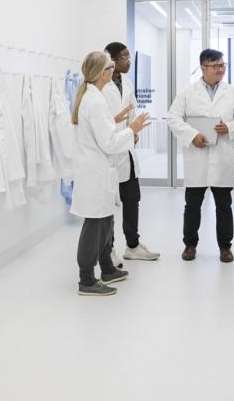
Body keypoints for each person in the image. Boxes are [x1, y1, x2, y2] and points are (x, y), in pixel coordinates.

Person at [70, 51, 150, 296]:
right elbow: (108, 143)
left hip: (99, 171)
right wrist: (131, 130)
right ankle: (86, 280)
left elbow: (101, 130)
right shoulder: (94, 100)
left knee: (105, 221)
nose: (114, 69)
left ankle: (107, 268)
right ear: (103, 72)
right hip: (95, 172)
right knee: (95, 225)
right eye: (111, 66)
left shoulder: (93, 97)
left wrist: (114, 120)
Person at [167, 49, 234, 262]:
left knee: (224, 206)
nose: (221, 69)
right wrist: (192, 135)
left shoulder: (233, 93)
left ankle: (225, 248)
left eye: (223, 65)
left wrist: (228, 127)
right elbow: (173, 117)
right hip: (197, 156)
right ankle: (190, 245)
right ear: (203, 67)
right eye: (216, 66)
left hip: (222, 157)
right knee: (192, 205)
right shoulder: (187, 92)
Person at [102, 42, 160, 267]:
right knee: (107, 205)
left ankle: (133, 246)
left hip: (126, 149)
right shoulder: (99, 86)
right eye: (125, 58)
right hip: (108, 151)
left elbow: (131, 110)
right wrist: (126, 131)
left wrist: (132, 132)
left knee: (132, 199)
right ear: (113, 60)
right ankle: (109, 250)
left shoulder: (126, 82)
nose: (129, 62)